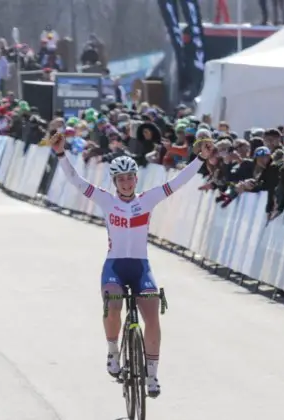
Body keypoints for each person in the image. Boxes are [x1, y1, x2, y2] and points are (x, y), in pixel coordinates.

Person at [50, 131, 215, 398]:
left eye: (130, 178)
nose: (126, 183)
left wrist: (199, 159)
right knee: (113, 306)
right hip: (114, 267)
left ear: (136, 179)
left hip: (140, 268)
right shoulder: (107, 200)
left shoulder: (147, 199)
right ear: (114, 181)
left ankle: (152, 375)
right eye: (121, 179)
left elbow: (179, 181)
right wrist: (60, 154)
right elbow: (76, 181)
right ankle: (113, 351)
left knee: (152, 316)